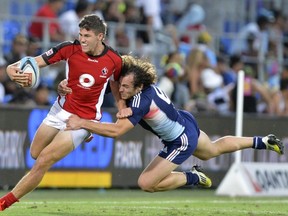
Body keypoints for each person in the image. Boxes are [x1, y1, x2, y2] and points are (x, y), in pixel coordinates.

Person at [65, 55, 284, 193]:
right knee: (212, 150)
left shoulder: (141, 101)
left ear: (138, 87)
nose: (120, 90)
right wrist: (122, 104)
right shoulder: (139, 88)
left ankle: (192, 176)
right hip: (184, 121)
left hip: (180, 139)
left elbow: (116, 131)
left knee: (146, 183)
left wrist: (83, 123)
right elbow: (114, 83)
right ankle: (262, 141)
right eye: (121, 85)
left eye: (125, 87)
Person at [0, 14, 129, 211]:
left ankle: (4, 203)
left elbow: (116, 84)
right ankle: (83, 135)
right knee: (35, 153)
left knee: (43, 161)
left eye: (87, 35)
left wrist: (121, 108)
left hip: (83, 119)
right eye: (80, 34)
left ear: (100, 36)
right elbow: (35, 62)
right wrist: (11, 69)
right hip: (60, 110)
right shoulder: (69, 48)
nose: (82, 39)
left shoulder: (114, 60)